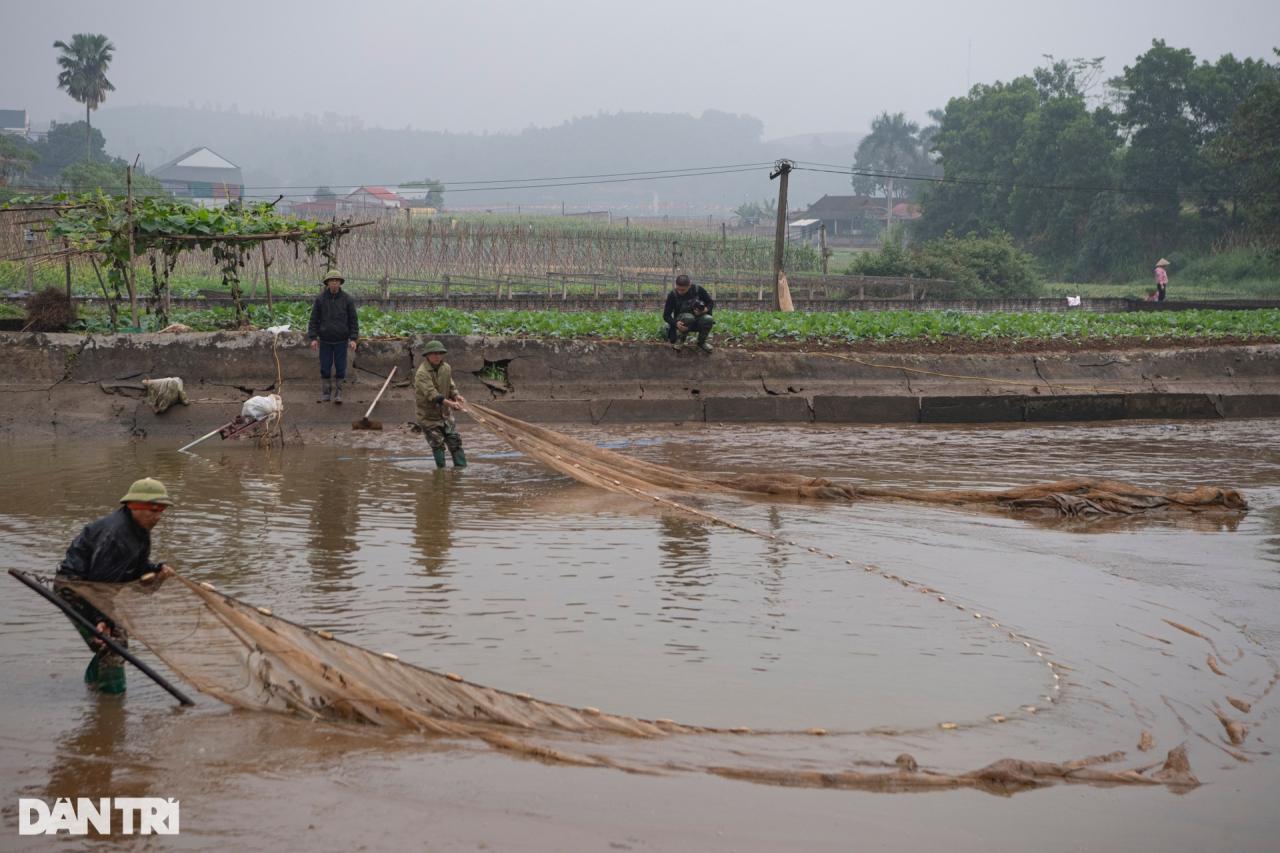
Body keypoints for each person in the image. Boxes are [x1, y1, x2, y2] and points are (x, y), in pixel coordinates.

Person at [54, 478, 176, 694]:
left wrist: (156, 569)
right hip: (77, 590)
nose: (157, 516)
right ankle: (112, 701)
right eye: (153, 510)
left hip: (99, 589)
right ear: (132, 506)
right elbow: (99, 583)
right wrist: (101, 620)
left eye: (161, 511)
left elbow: (137, 567)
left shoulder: (139, 530)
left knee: (115, 645)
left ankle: (94, 688)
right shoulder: (116, 535)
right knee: (111, 646)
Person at [307, 269, 359, 403]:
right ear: (327, 283)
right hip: (325, 341)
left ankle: (338, 392)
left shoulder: (347, 300)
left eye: (337, 281)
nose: (334, 283)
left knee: (341, 367)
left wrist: (353, 338)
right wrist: (313, 338)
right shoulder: (320, 299)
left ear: (340, 283)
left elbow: (353, 320)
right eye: (332, 281)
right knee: (325, 367)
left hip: (341, 341)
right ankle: (326, 391)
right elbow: (314, 319)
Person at [414, 340, 468, 469]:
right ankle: (441, 472)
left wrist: (456, 396)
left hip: (445, 414)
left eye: (440, 353)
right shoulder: (422, 373)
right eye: (434, 354)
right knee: (437, 444)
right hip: (428, 416)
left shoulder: (446, 368)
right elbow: (432, 394)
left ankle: (461, 469)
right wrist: (451, 404)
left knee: (455, 441)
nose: (437, 356)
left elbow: (450, 386)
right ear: (427, 355)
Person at [662, 274, 716, 353]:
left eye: (683, 290)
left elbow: (710, 302)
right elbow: (666, 315)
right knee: (688, 317)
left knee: (708, 319)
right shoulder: (672, 295)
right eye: (678, 289)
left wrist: (705, 310)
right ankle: (680, 340)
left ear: (689, 285)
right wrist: (676, 324)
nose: (680, 292)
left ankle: (701, 342)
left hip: (698, 320)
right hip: (683, 322)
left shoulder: (698, 290)